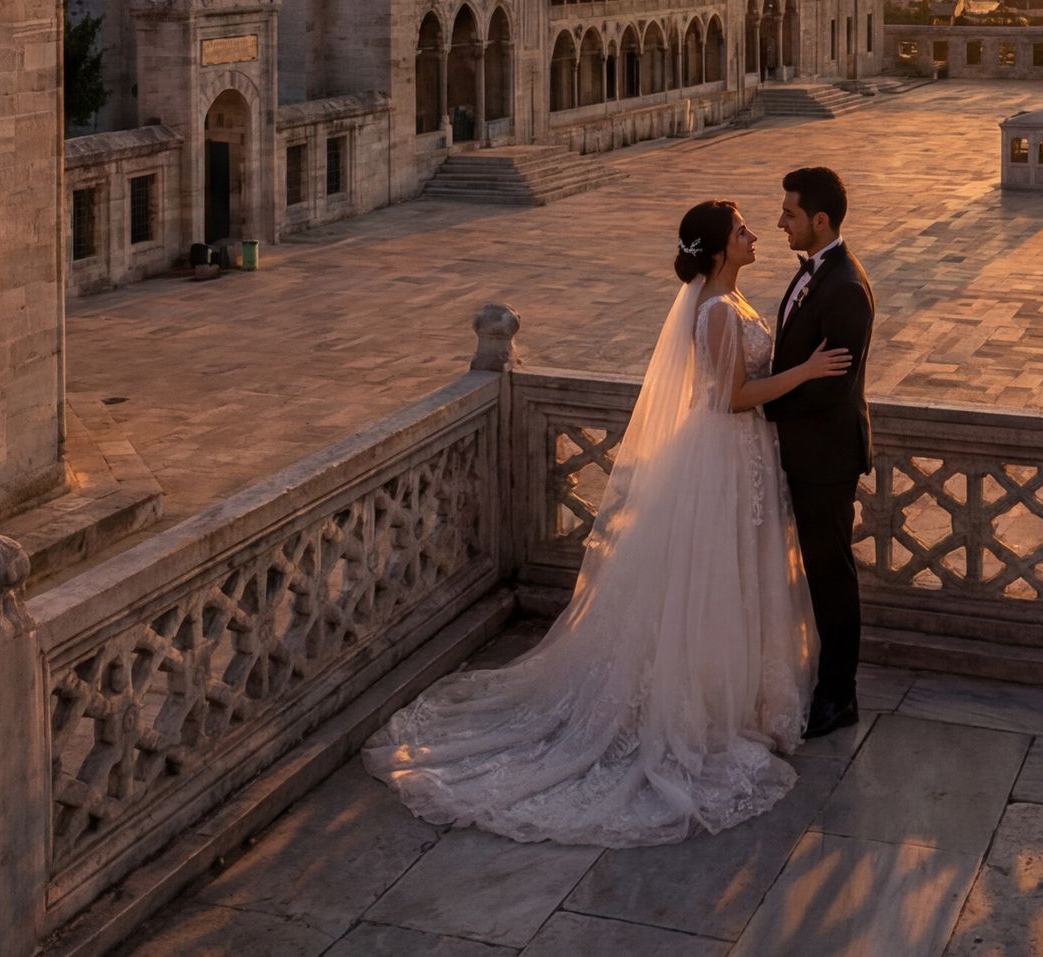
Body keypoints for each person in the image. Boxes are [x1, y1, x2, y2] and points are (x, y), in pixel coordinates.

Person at [361, 198, 851, 845]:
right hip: (724, 451)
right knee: (709, 575)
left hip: (737, 456)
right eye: (741, 230)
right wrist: (805, 371)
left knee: (726, 573)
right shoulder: (717, 311)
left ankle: (729, 697)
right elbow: (732, 396)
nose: (754, 234)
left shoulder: (726, 303)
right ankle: (696, 706)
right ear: (719, 247)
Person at [767, 165, 875, 737]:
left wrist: (760, 406)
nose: (780, 222)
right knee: (817, 571)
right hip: (806, 454)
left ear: (820, 220)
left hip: (826, 459)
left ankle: (839, 696)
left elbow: (831, 389)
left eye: (789, 213)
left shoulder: (845, 288)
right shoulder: (815, 272)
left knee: (832, 575)